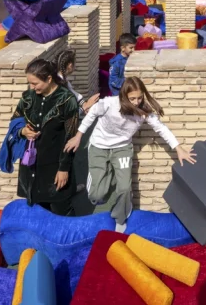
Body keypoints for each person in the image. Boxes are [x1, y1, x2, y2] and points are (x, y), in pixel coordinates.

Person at [63, 76, 196, 231]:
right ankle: (105, 178)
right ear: (123, 96)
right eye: (132, 98)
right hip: (99, 146)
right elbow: (92, 113)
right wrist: (78, 136)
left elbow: (161, 128)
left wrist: (178, 148)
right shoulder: (109, 103)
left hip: (122, 149)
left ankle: (120, 218)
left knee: (125, 188)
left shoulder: (143, 111)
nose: (136, 102)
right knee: (97, 196)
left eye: (139, 98)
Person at [10, 58, 81, 216]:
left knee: (62, 210)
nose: (31, 87)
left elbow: (71, 138)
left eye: (35, 83)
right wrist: (23, 131)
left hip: (55, 165)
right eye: (30, 83)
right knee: (38, 210)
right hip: (31, 165)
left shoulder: (67, 100)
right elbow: (15, 121)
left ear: (49, 79)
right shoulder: (28, 97)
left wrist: (63, 169)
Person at [55, 48, 100, 117]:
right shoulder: (59, 86)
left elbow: (73, 93)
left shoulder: (61, 79)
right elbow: (67, 116)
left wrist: (84, 104)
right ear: (70, 65)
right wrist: (85, 107)